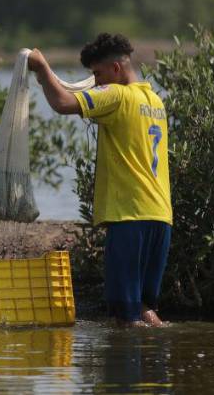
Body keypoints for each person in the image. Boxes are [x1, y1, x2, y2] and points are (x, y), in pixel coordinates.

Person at [27, 34, 172, 327]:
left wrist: (42, 69)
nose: (95, 81)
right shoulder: (154, 101)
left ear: (116, 69)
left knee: (124, 318)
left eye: (97, 74)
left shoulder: (117, 96)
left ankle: (124, 372)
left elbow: (63, 103)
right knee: (144, 308)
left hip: (129, 217)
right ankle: (157, 365)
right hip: (160, 217)